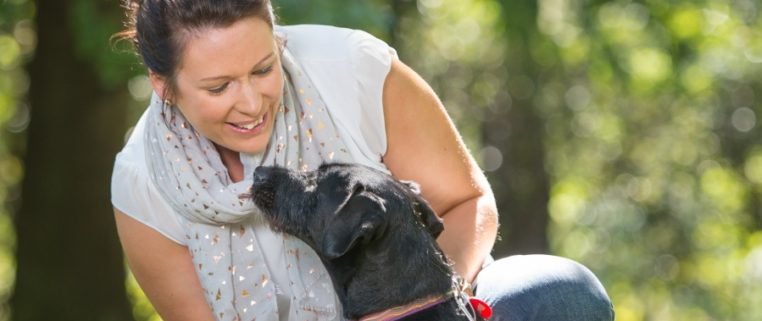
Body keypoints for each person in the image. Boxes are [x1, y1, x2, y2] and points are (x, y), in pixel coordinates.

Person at [110, 0, 614, 320]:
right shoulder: (141, 184)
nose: (250, 101)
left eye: (264, 69)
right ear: (164, 86)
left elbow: (466, 201)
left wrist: (422, 310)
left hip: (442, 303)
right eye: (219, 87)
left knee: (558, 294)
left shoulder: (351, 68)